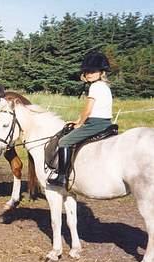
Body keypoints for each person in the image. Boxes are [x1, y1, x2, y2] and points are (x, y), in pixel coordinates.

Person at [48, 51, 112, 188]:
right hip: (106, 122)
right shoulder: (105, 86)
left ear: (101, 72)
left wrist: (80, 124)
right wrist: (78, 121)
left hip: (95, 123)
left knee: (64, 141)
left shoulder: (95, 87)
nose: (89, 74)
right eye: (87, 71)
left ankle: (62, 177)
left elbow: (88, 110)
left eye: (93, 71)